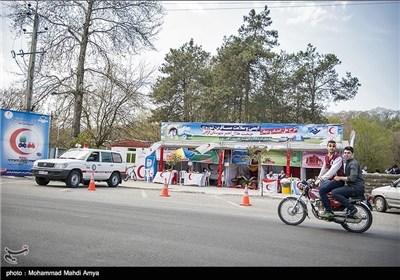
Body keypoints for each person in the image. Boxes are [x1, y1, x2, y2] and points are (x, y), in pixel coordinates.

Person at [314, 140, 345, 219]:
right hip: (331, 180)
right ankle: (325, 206)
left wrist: (321, 179)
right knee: (319, 189)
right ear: (327, 147)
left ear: (335, 148)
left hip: (338, 180)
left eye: (333, 146)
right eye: (330, 146)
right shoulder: (326, 157)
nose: (331, 148)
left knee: (322, 191)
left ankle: (329, 211)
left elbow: (332, 171)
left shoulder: (338, 158)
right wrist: (318, 179)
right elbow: (324, 169)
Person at [331, 146, 365, 217]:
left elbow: (352, 178)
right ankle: (342, 209)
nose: (346, 154)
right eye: (345, 153)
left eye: (348, 153)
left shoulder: (353, 163)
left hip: (356, 188)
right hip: (353, 186)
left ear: (352, 154)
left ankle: (353, 209)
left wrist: (339, 178)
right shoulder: (348, 162)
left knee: (334, 192)